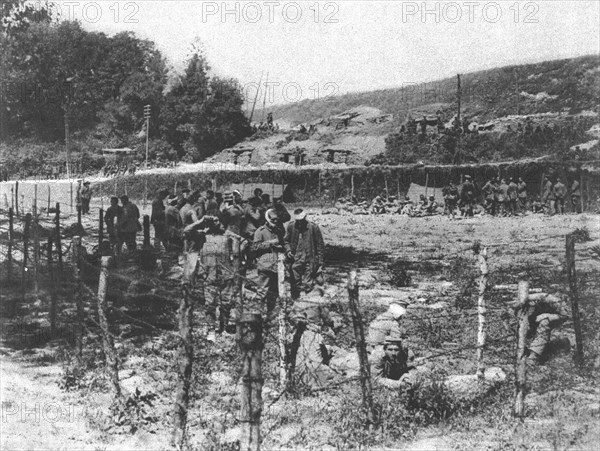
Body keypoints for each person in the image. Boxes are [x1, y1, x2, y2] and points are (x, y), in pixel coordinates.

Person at [252, 209, 292, 321]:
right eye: (273, 220)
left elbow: (284, 243)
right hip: (265, 266)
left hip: (276, 267)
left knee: (273, 294)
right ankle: (257, 318)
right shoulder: (260, 231)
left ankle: (271, 317)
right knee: (261, 293)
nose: (275, 222)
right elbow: (254, 247)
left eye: (277, 220)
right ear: (267, 220)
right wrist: (269, 244)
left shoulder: (279, 231)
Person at [511, 293, 569, 364]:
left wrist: (545, 316)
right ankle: (523, 350)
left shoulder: (551, 300)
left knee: (544, 323)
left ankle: (534, 356)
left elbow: (565, 315)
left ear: (533, 303)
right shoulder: (520, 305)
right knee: (520, 325)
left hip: (555, 317)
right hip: (536, 317)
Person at [285, 209, 325, 299]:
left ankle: (308, 301)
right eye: (297, 220)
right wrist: (288, 251)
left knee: (308, 282)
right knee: (294, 282)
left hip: (309, 258)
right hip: (295, 259)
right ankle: (295, 301)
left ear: (305, 217)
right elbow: (286, 241)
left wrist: (320, 262)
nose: (299, 222)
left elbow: (320, 245)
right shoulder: (291, 226)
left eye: (301, 220)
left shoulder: (313, 227)